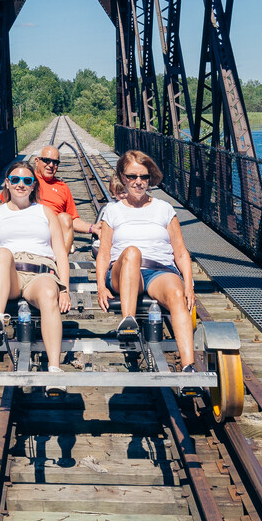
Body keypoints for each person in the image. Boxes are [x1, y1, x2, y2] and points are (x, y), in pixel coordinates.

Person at [94, 149, 198, 372]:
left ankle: (189, 366)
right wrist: (101, 286)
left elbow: (180, 252)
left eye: (143, 177)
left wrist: (188, 285)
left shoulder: (164, 209)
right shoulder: (112, 211)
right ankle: (128, 322)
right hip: (123, 271)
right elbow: (103, 254)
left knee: (177, 295)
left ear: (150, 178)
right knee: (132, 252)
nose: (138, 182)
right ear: (123, 178)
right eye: (132, 176)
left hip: (159, 271)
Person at [0, 158, 71, 371]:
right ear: (7, 183)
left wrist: (64, 289)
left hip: (40, 271)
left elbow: (61, 254)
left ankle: (54, 368)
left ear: (33, 185)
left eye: (27, 180)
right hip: (7, 273)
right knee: (2, 252)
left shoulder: (45, 212)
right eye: (15, 179)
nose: (21, 184)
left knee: (48, 294)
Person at [0, 144, 79, 257]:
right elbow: (3, 206)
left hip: (52, 232)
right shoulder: (25, 180)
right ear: (37, 161)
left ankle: (58, 262)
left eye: (55, 162)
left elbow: (73, 220)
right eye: (46, 160)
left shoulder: (62, 186)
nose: (51, 165)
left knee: (65, 217)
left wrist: (93, 228)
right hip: (28, 225)